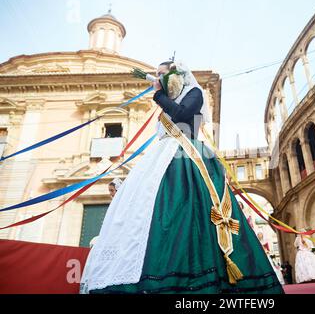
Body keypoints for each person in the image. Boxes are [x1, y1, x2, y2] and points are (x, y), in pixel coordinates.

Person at [79, 60, 283, 294]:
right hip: (162, 158)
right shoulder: (167, 101)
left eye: (162, 74)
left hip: (186, 158)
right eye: (157, 75)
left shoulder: (193, 93)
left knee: (194, 212)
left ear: (177, 75)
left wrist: (158, 96)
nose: (159, 78)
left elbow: (183, 115)